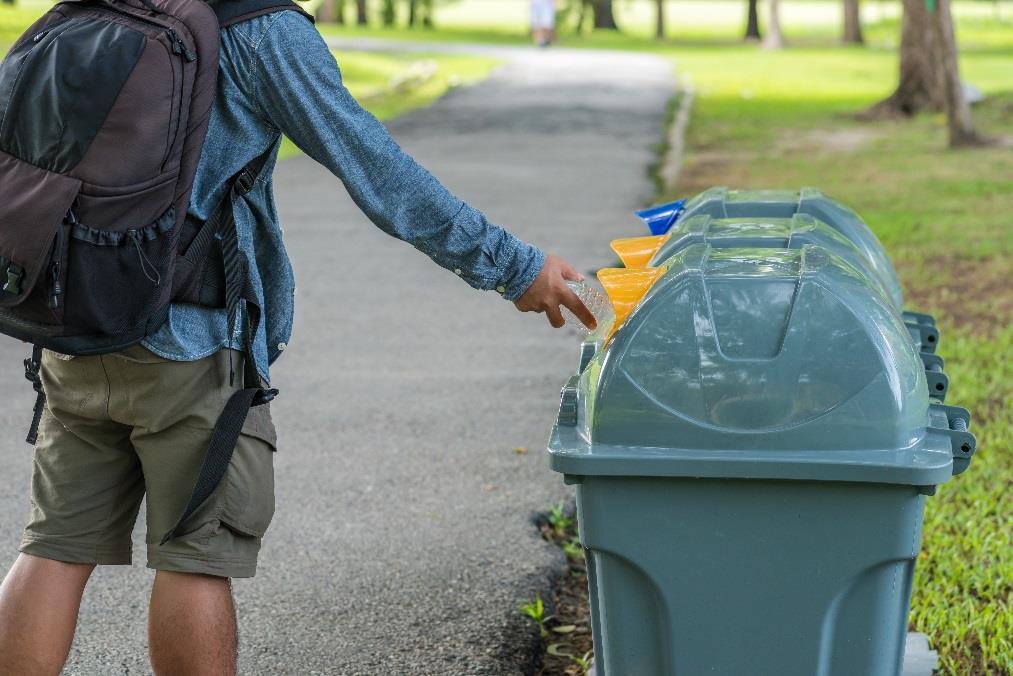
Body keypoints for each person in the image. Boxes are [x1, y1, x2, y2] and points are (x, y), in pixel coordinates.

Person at [0, 6, 594, 676]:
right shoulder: (258, 27)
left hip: (73, 323)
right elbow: (376, 168)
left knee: (53, 547)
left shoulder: (97, 7)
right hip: (194, 345)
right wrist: (515, 267)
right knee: (197, 556)